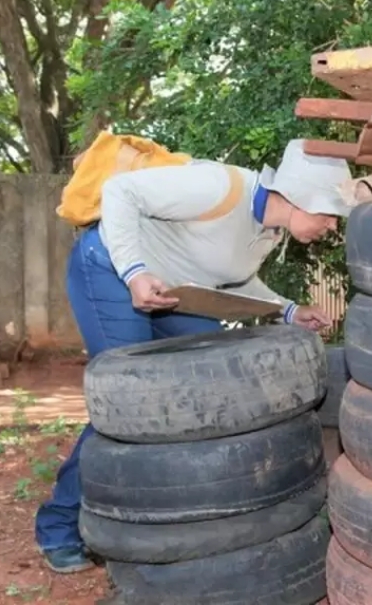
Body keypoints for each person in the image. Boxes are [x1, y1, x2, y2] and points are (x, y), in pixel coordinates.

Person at [34, 139, 353, 573]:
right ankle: (59, 528)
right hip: (109, 270)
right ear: (300, 197)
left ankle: (176, 510)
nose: (332, 226)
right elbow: (121, 192)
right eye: (330, 212)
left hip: (174, 293)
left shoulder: (268, 232)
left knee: (208, 389)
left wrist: (288, 309)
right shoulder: (220, 187)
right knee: (130, 406)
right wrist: (135, 272)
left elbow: (229, 280)